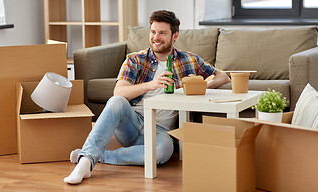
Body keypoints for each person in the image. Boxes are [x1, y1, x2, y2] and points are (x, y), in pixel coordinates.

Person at [64, 10, 231, 184]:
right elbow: (119, 92)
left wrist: (199, 86)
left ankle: (99, 156)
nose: (156, 37)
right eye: (153, 32)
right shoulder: (135, 60)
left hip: (160, 131)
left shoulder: (189, 60)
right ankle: (85, 163)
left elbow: (223, 76)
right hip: (133, 123)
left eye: (162, 33)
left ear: (174, 36)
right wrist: (151, 85)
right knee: (116, 102)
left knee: (163, 152)